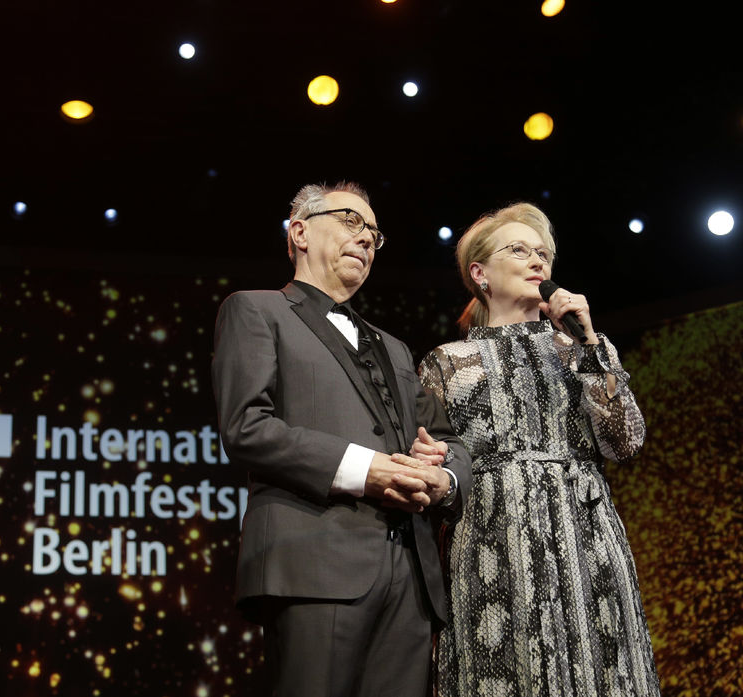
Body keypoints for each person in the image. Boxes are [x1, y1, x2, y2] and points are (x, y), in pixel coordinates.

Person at [212, 181, 473, 697]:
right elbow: (247, 427)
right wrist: (367, 470)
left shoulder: (395, 348)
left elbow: (450, 442)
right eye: (351, 221)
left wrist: (441, 476)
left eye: (374, 232)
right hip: (314, 564)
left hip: (411, 580)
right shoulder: (256, 310)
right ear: (300, 232)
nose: (367, 238)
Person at [417, 202, 661, 696]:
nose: (537, 261)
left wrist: (589, 344)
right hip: (491, 540)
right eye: (518, 250)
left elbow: (626, 442)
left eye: (543, 254)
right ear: (480, 273)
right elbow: (436, 464)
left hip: (585, 540)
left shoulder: (584, 350)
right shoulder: (447, 362)